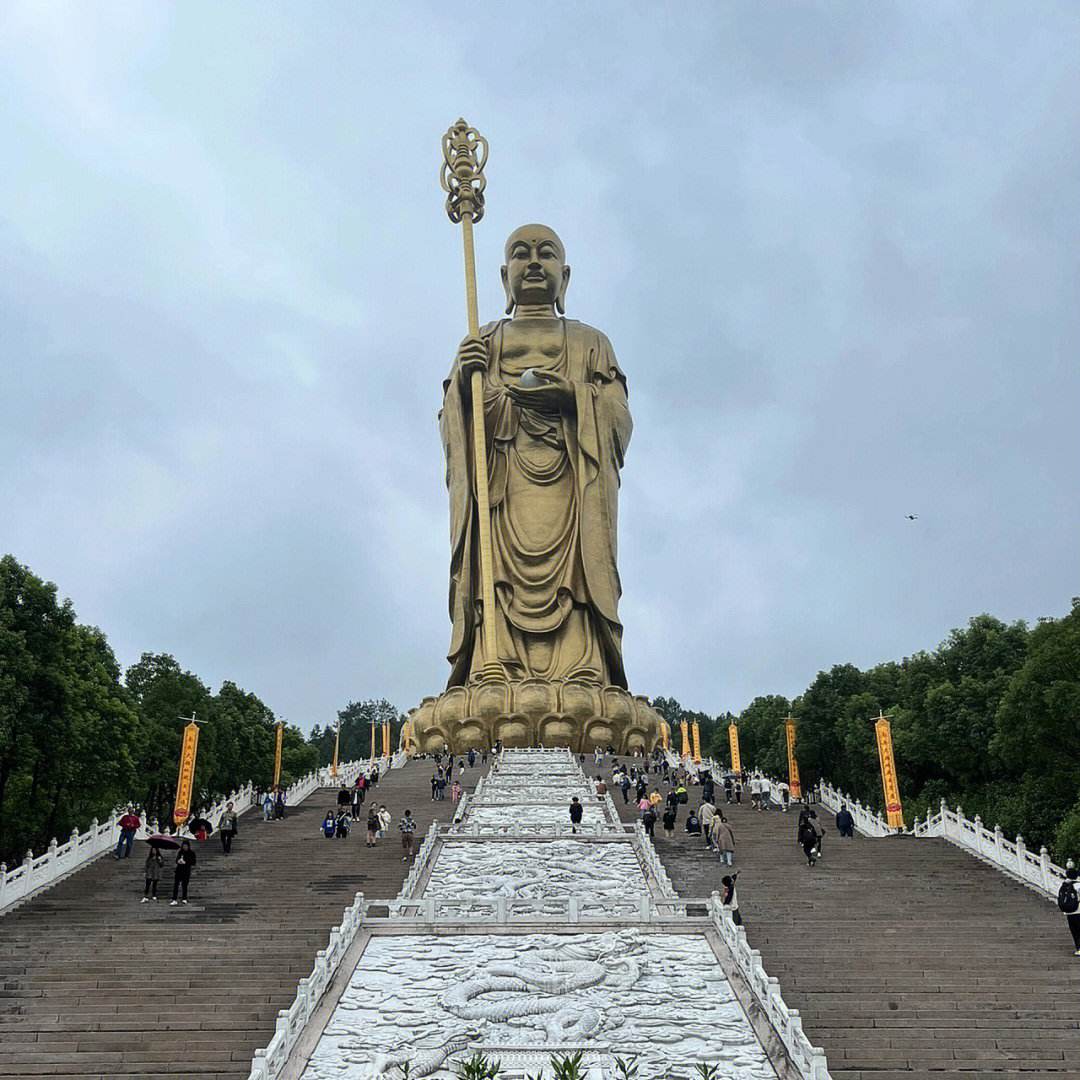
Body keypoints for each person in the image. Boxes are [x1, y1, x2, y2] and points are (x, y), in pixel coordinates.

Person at [1057, 866, 1080, 956]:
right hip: (1079, 910)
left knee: (1074, 931)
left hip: (1069, 911)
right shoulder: (1078, 885)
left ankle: (1078, 948)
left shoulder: (1064, 885)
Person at [170, 840, 196, 905]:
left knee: (184, 885)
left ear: (188, 846)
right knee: (176, 885)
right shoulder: (180, 852)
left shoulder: (191, 853)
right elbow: (176, 860)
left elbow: (194, 862)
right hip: (179, 870)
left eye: (186, 846)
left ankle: (184, 898)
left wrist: (186, 862)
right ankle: (174, 899)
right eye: (183, 846)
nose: (184, 847)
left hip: (186, 871)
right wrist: (178, 861)